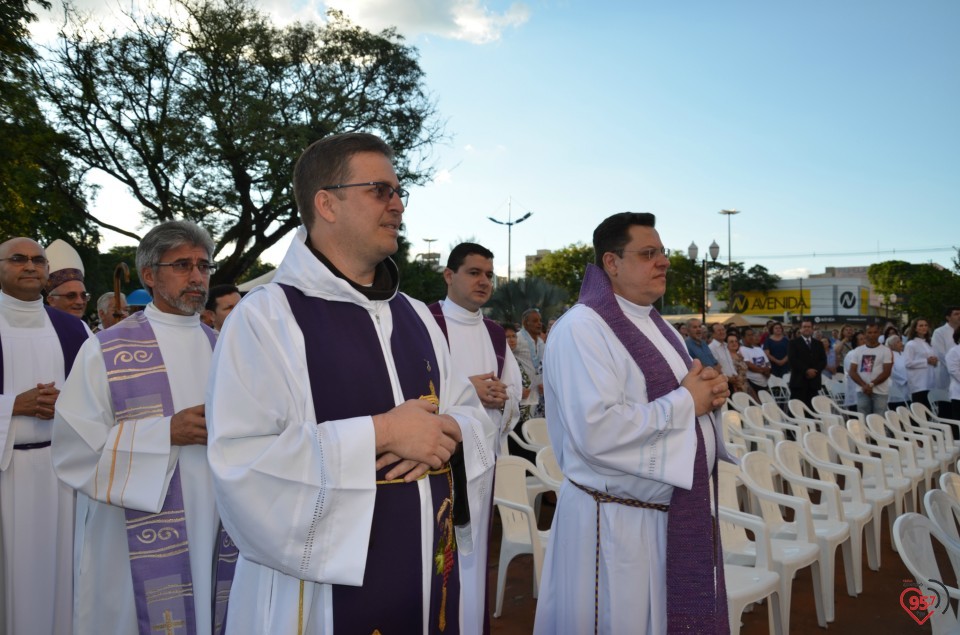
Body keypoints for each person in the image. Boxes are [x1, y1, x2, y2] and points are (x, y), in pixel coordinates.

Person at [205, 132, 487, 633]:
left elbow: (467, 410)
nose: (398, 205)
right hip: (317, 593)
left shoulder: (417, 316)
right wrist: (380, 434)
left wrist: (448, 430)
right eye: (380, 190)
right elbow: (241, 461)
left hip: (424, 572)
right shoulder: (265, 317)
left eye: (400, 192)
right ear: (326, 204)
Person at [533, 212, 731, 634]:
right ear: (611, 262)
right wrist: (687, 402)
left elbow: (686, 397)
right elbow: (597, 431)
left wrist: (711, 395)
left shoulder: (663, 328)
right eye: (647, 253)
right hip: (614, 525)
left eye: (662, 252)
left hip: (668, 516)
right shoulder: (582, 328)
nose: (662, 261)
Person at [52, 221, 233, 635]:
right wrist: (165, 432)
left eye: (204, 266)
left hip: (217, 518)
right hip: (133, 533)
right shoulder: (105, 349)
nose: (197, 277)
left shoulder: (223, 346)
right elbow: (73, 449)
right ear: (150, 275)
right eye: (182, 265)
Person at [429, 241, 522, 633]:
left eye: (489, 274)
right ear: (449, 275)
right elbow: (406, 391)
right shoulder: (424, 321)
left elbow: (515, 394)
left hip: (481, 470)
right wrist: (470, 390)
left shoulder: (495, 335)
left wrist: (504, 400)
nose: (484, 281)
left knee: (474, 557)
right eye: (473, 272)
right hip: (433, 465)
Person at [0, 237, 90, 635]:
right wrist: (11, 406)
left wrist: (67, 403)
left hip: (59, 475)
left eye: (38, 260)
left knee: (58, 575)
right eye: (18, 259)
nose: (30, 266)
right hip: (5, 472)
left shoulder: (75, 330)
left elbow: (95, 400)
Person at [847, 322, 894, 415]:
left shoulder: (886, 350)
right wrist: (864, 385)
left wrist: (871, 384)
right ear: (865, 334)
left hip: (880, 392)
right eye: (870, 332)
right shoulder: (858, 350)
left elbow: (886, 372)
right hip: (862, 391)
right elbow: (852, 371)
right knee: (863, 419)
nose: (872, 335)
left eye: (875, 332)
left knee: (879, 420)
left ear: (879, 333)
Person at [44, 238, 90, 319]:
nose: (80, 302)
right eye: (71, 295)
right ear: (51, 300)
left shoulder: (86, 330)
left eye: (84, 296)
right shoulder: (42, 330)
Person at [514, 307, 546, 417]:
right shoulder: (517, 338)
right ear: (525, 323)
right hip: (521, 395)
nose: (539, 324)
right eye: (535, 321)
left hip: (537, 395)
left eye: (540, 321)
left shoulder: (541, 342)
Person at [788, 318, 827, 408]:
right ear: (800, 329)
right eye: (804, 327)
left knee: (813, 411)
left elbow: (823, 360)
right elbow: (792, 360)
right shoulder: (793, 343)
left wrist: (815, 371)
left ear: (812, 329)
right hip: (798, 382)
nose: (807, 329)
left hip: (814, 382)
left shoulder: (819, 344)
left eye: (809, 327)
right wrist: (806, 370)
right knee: (797, 411)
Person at [904, 317, 939, 408]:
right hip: (918, 383)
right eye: (921, 325)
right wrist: (926, 361)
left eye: (926, 325)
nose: (924, 327)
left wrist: (935, 361)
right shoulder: (911, 344)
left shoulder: (929, 343)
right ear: (915, 328)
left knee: (930, 409)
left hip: (930, 381)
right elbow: (908, 363)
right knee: (920, 410)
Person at [932, 306, 960, 419]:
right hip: (946, 374)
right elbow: (941, 354)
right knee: (946, 410)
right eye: (956, 314)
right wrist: (954, 364)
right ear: (948, 317)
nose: (959, 316)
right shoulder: (939, 332)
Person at [740, 327, 771, 396]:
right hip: (752, 383)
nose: (751, 337)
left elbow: (768, 364)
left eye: (752, 335)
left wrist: (767, 371)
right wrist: (764, 371)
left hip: (765, 382)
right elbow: (749, 365)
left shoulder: (759, 349)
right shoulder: (742, 349)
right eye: (748, 335)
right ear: (743, 337)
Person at [885, 335, 910, 411]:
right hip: (896, 385)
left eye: (900, 341)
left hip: (908, 388)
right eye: (898, 342)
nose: (901, 344)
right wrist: (904, 380)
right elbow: (891, 371)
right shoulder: (889, 355)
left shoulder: (904, 354)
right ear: (892, 345)